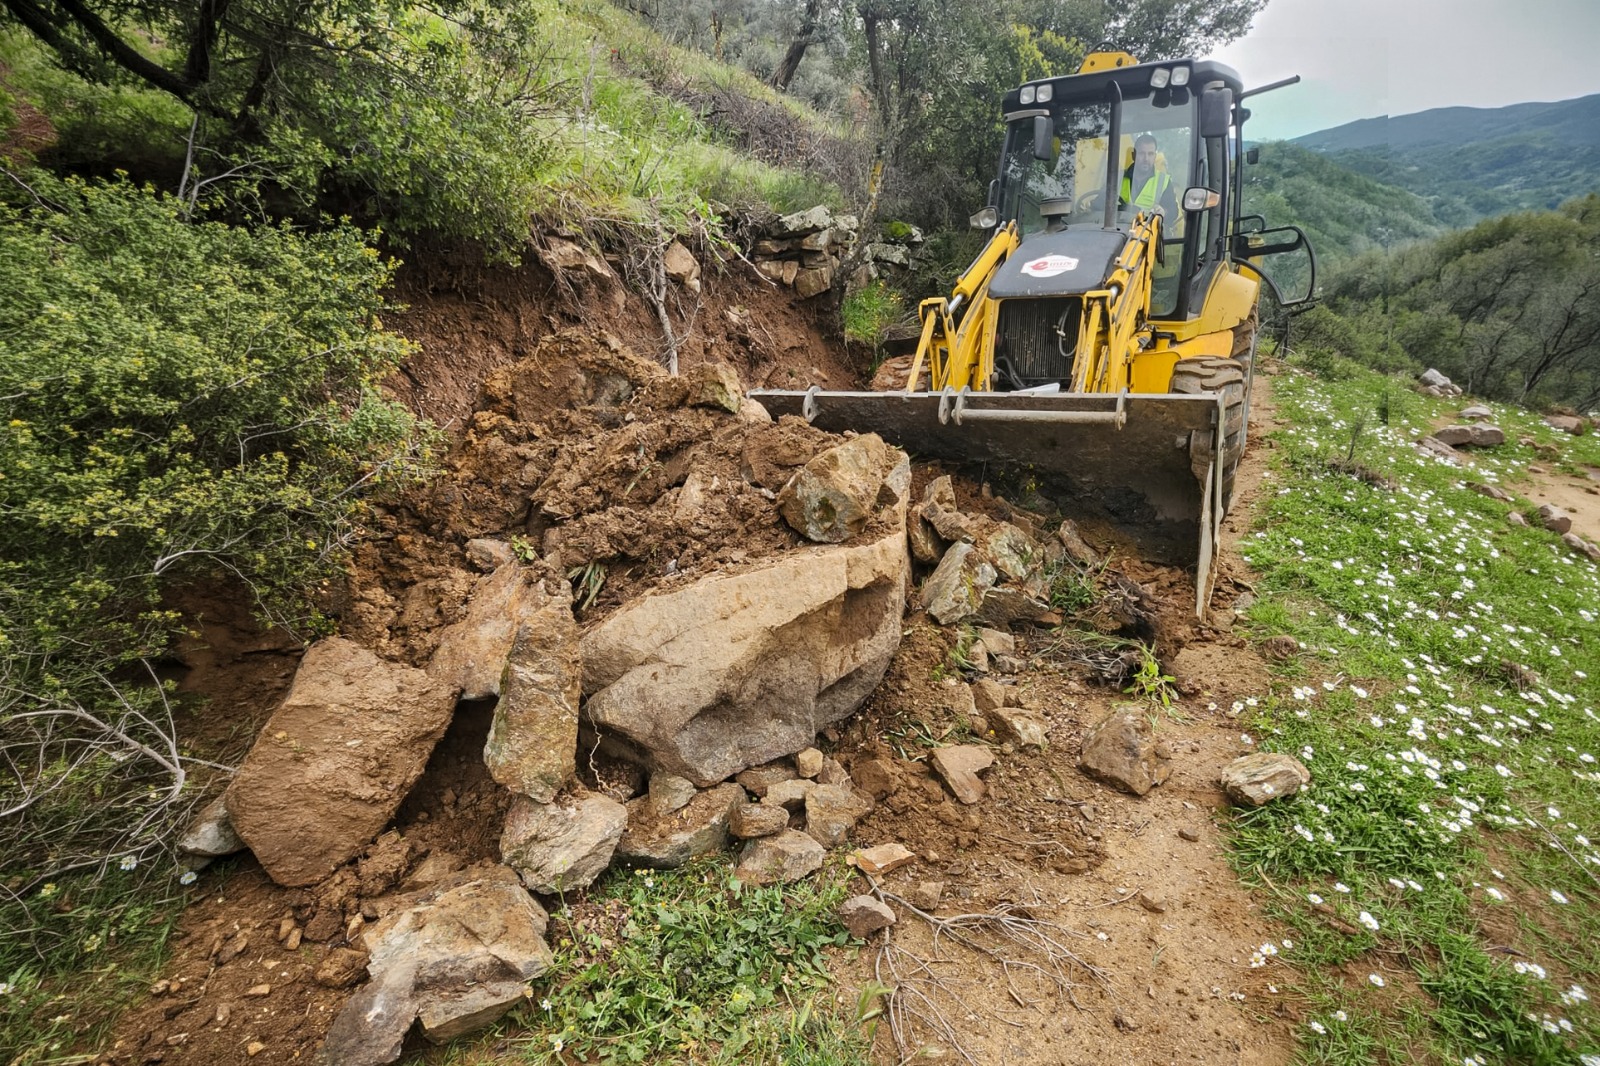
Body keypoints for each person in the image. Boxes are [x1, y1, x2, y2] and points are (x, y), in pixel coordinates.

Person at [1119, 133, 1178, 219]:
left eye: (1150, 154)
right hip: (1117, 226)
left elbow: (1173, 211)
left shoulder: (1163, 181)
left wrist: (1163, 212)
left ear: (1155, 156)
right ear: (1133, 155)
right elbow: (1100, 204)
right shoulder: (1116, 178)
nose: (1146, 159)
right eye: (1141, 153)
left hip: (1149, 227)